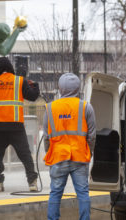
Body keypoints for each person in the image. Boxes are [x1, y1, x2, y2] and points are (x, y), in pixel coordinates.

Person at [43, 73, 96, 220]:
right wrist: (89, 152)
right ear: (78, 88)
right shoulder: (86, 107)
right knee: (83, 193)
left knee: (55, 193)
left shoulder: (50, 108)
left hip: (58, 157)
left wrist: (50, 152)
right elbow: (92, 135)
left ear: (60, 88)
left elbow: (46, 137)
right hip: (79, 157)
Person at [0, 57, 39, 192]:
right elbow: (32, 96)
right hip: (16, 127)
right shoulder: (20, 81)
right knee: (25, 154)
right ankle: (32, 183)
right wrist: (35, 86)